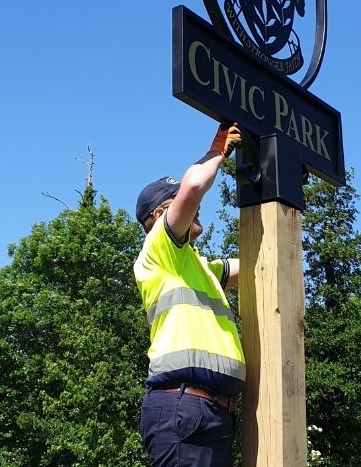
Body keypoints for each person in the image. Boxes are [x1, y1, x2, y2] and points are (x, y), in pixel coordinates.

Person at [134, 122, 245, 467]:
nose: (195, 206)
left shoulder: (197, 267)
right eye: (177, 199)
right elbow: (195, 184)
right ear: (158, 215)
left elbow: (260, 263)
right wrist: (216, 152)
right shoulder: (159, 249)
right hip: (184, 408)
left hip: (211, 412)